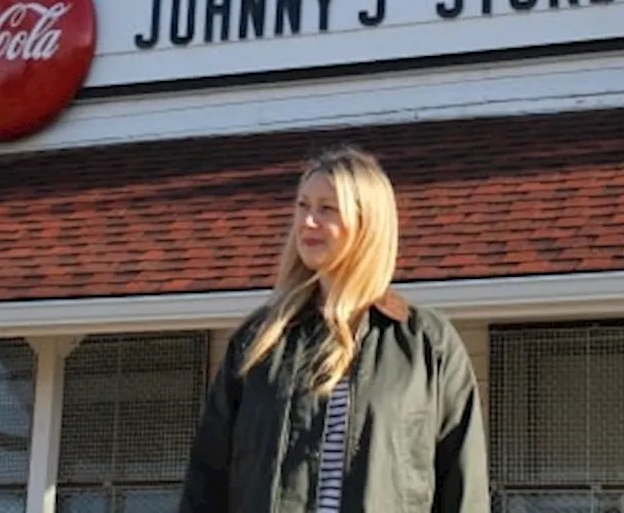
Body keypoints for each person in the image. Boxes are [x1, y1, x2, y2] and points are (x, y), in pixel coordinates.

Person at [178, 145, 491, 513]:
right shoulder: (258, 343)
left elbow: (464, 493)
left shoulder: (429, 347)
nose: (308, 221)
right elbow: (205, 485)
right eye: (302, 206)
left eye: (327, 209)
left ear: (367, 223)